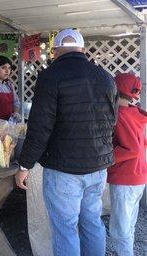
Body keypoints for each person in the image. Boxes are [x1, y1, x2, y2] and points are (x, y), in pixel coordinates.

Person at [15, 28, 118, 256]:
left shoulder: (50, 76)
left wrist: (25, 165)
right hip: (98, 167)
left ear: (54, 51)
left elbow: (40, 127)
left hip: (64, 169)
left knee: (65, 229)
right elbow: (112, 121)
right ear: (83, 49)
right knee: (92, 223)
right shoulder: (105, 77)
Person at [107, 73, 147, 256]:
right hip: (139, 176)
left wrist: (105, 156)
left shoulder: (120, 115)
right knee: (129, 224)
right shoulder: (136, 113)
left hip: (125, 177)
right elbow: (142, 144)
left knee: (119, 229)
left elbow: (133, 149)